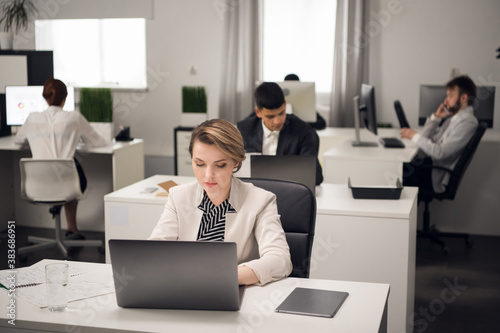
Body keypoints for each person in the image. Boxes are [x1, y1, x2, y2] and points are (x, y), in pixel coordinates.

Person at [149, 119, 292, 286]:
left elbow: (280, 260)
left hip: (234, 293)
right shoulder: (179, 196)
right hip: (185, 290)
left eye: (220, 165)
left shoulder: (261, 201)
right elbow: (154, 252)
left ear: (236, 162)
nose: (208, 175)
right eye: (200, 164)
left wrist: (220, 278)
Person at [15, 78, 107, 240]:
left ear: (45, 98)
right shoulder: (74, 117)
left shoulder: (31, 118)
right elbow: (97, 141)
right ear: (65, 98)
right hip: (65, 183)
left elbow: (18, 141)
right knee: (76, 171)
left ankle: (58, 209)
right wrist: (77, 139)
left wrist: (37, 140)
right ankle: (70, 225)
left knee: (70, 170)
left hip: (38, 185)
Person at [400, 75, 478, 193]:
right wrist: (436, 118)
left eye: (450, 96)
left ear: (463, 98)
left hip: (433, 174)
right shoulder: (453, 119)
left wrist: (414, 136)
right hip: (428, 165)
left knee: (396, 172)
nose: (446, 100)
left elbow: (440, 153)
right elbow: (427, 139)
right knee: (398, 167)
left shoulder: (468, 122)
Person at [237, 82, 324, 185]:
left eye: (281, 113)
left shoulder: (304, 132)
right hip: (253, 190)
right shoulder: (244, 130)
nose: (278, 121)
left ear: (285, 104)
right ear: (258, 112)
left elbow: (315, 176)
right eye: (270, 116)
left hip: (289, 190)